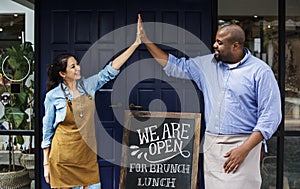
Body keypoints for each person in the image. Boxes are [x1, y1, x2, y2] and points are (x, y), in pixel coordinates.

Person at [137, 14, 282, 189]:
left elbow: (271, 116)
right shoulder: (207, 64)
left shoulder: (260, 72)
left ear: (235, 46)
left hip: (244, 144)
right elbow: (174, 66)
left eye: (220, 43)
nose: (214, 45)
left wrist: (244, 150)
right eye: (215, 41)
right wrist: (146, 41)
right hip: (213, 144)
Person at [41, 16, 141, 189]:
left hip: (86, 157)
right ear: (63, 74)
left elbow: (109, 71)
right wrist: (46, 165)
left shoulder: (88, 85)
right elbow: (47, 132)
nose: (78, 68)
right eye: (73, 66)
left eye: (77, 64)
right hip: (62, 160)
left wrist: (136, 43)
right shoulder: (53, 96)